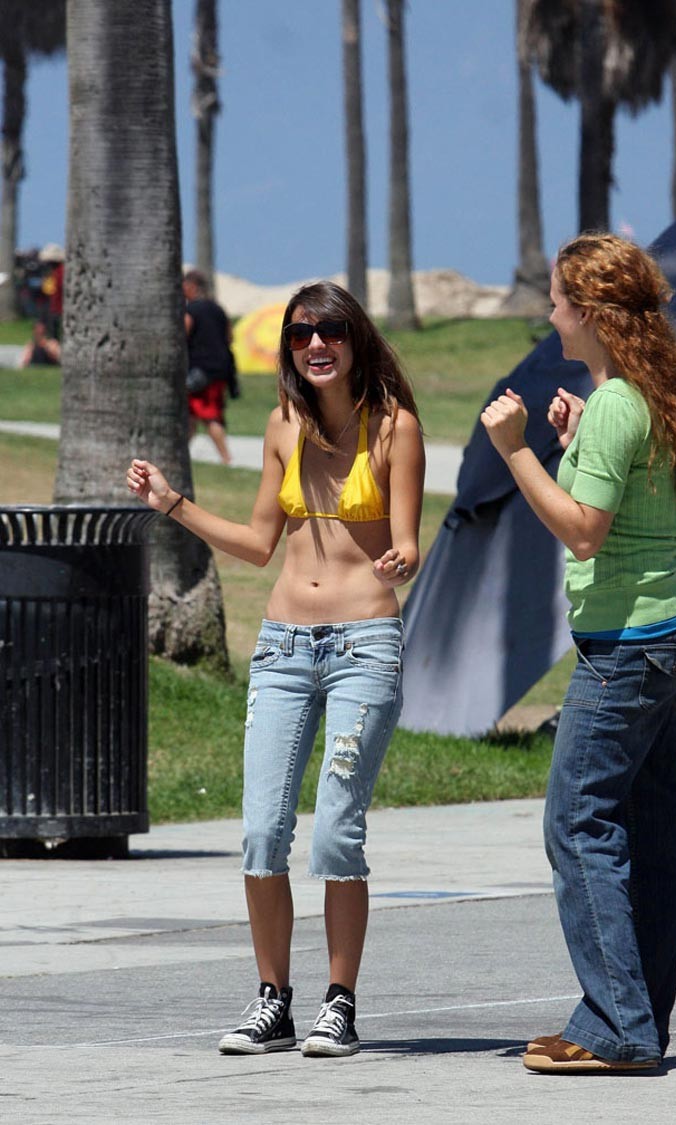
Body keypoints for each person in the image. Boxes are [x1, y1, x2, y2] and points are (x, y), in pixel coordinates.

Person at [127, 280, 425, 1059]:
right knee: (262, 832)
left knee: (336, 832)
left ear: (355, 338)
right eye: (300, 334)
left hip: (365, 641)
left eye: (329, 330)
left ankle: (339, 1003)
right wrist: (172, 503)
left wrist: (404, 555)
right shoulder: (282, 426)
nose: (314, 344)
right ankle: (272, 1001)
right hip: (284, 646)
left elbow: (409, 543)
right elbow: (261, 542)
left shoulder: (395, 427)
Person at [481, 233, 676, 1074]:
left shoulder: (619, 402)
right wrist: (577, 435)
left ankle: (619, 1023)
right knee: (647, 835)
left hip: (629, 646)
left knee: (577, 821)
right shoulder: (634, 392)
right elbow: (626, 485)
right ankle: (633, 1016)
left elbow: (583, 532)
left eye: (555, 301)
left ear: (587, 312)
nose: (549, 315)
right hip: (667, 634)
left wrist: (514, 450)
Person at [183, 268, 237, 465]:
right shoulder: (218, 309)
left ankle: (226, 459)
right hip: (221, 370)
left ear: (191, 286)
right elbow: (230, 337)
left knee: (209, 416)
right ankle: (181, 454)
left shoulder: (192, 311)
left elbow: (182, 336)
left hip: (200, 371)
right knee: (190, 414)